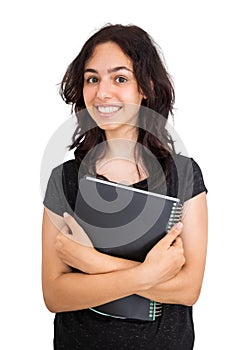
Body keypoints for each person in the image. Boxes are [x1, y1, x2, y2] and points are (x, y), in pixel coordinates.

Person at [42, 24, 208, 349]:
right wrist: (148, 274)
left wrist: (92, 263)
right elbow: (55, 295)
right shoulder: (65, 180)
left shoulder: (184, 175)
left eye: (120, 78)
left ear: (145, 87)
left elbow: (189, 289)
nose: (102, 92)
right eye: (92, 79)